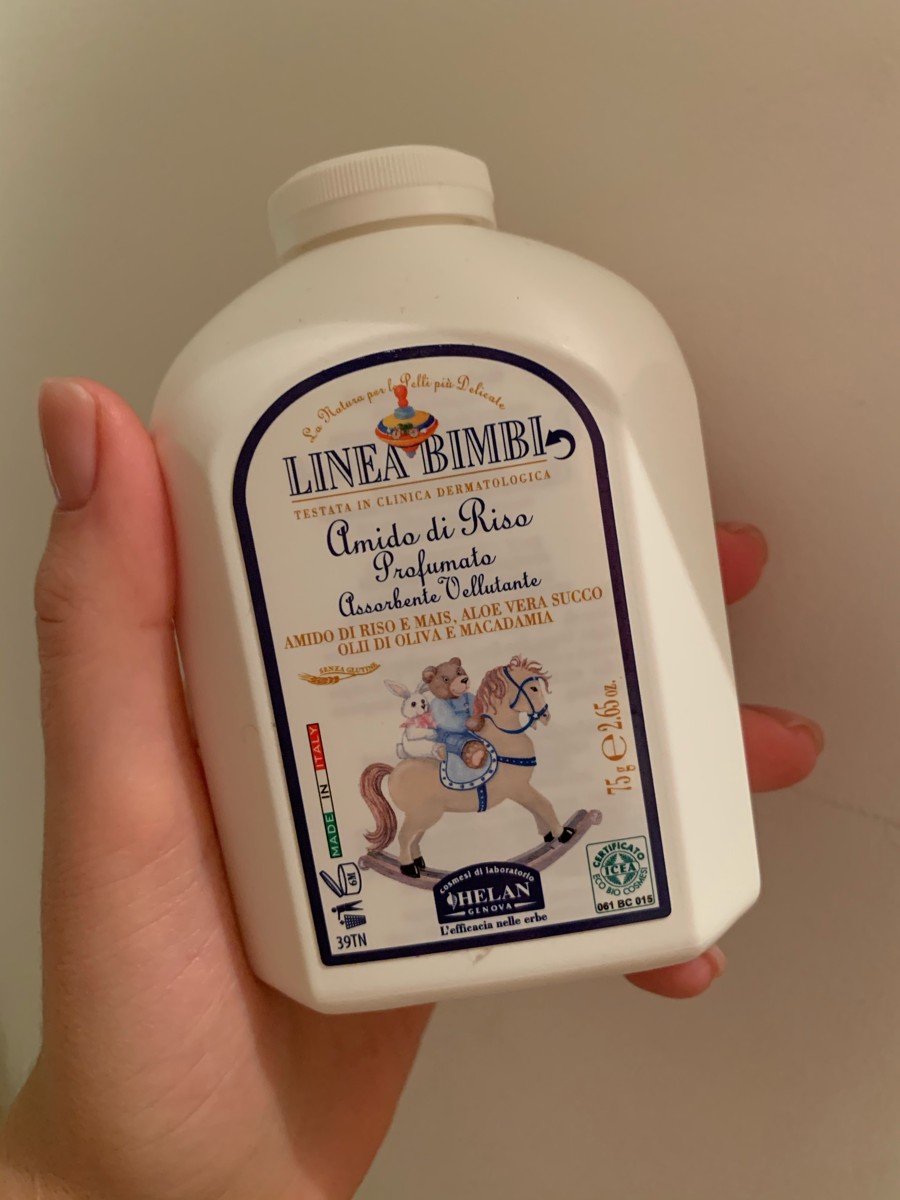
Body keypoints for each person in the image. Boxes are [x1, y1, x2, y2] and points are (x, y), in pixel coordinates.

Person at [0, 379, 823, 1199]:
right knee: (475, 763)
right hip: (435, 766)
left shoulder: (227, 379)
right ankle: (421, 840)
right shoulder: (439, 701)